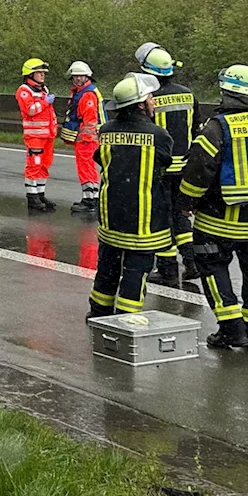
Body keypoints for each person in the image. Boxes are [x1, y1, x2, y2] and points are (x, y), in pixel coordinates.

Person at [177, 65, 248, 351]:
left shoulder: (218, 127)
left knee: (211, 267)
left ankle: (232, 329)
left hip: (219, 220)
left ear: (227, 92)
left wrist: (186, 203)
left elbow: (199, 171)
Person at [88, 73, 172, 319]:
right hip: (143, 220)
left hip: (111, 216)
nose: (153, 102)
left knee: (107, 267)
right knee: (136, 271)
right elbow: (166, 164)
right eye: (150, 98)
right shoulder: (158, 135)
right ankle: (126, 318)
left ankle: (98, 312)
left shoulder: (106, 131)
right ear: (140, 104)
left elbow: (99, 159)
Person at [137, 43, 202, 285]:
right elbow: (196, 127)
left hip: (160, 167)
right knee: (180, 214)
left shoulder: (148, 98)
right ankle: (191, 261)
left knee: (161, 218)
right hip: (184, 166)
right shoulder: (188, 93)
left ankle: (167, 269)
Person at [60, 61, 103, 214]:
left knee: (87, 169)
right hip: (87, 139)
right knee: (87, 169)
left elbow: (90, 120)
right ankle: (90, 198)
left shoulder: (87, 94)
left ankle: (90, 200)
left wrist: (83, 137)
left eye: (81, 76)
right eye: (75, 76)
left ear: (87, 77)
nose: (77, 79)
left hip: (87, 140)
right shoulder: (84, 92)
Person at [17, 59, 58, 212]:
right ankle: (32, 196)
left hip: (47, 136)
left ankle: (40, 194)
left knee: (44, 165)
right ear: (30, 74)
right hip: (34, 137)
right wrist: (46, 102)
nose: (42, 76)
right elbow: (31, 110)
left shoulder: (42, 89)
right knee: (34, 165)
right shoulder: (24, 90)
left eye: (43, 73)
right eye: (39, 73)